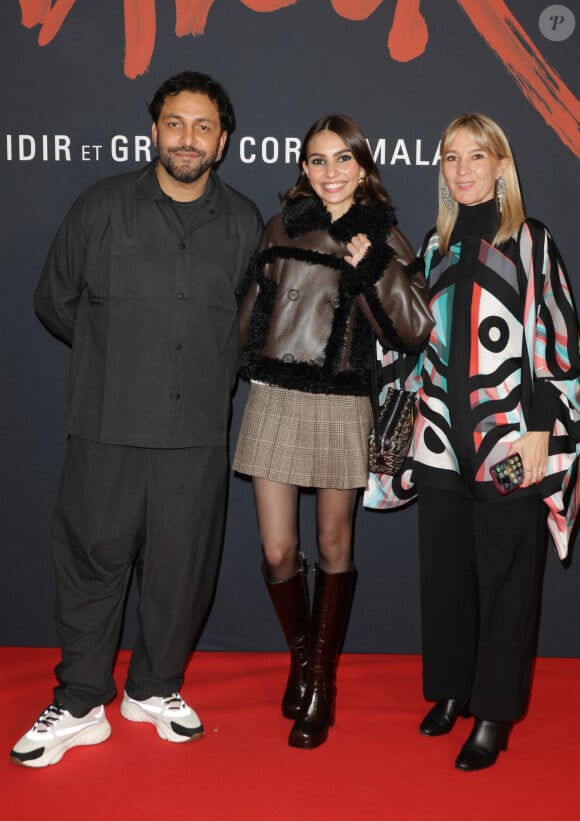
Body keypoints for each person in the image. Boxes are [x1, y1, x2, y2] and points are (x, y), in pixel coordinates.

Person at [11, 71, 263, 768]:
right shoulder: (101, 207)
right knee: (91, 563)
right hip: (107, 423)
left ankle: (153, 688)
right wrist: (112, 354)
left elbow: (250, 325)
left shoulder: (243, 221)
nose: (188, 137)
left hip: (195, 437)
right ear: (154, 130)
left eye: (204, 126)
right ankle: (82, 698)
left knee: (181, 572)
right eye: (176, 123)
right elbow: (53, 300)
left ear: (223, 141)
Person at [367, 112, 580, 770]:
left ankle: (494, 712)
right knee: (447, 575)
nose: (463, 170)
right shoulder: (435, 244)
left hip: (510, 441)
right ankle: (453, 691)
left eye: (476, 157)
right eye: (451, 158)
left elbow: (559, 342)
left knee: (509, 580)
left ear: (500, 167)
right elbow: (414, 340)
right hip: (437, 442)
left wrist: (544, 429)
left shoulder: (532, 243)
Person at [233, 114, 433, 749]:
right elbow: (248, 317)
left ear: (363, 168)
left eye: (342, 160)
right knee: (275, 551)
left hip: (342, 400)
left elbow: (413, 331)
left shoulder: (383, 235)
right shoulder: (279, 227)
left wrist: (371, 261)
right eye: (317, 161)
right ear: (304, 170)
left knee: (333, 544)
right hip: (275, 397)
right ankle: (301, 657)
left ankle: (321, 679)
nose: (330, 173)